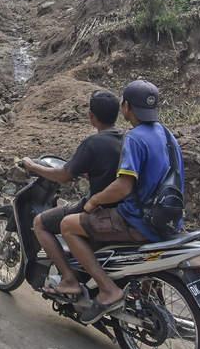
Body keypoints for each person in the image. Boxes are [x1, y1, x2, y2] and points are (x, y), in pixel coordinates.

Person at [50, 79, 184, 324]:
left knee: (68, 225)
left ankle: (107, 289)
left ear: (125, 107)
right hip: (169, 220)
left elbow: (123, 187)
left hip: (138, 221)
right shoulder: (167, 136)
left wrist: (94, 202)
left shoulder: (134, 137)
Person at [20, 89, 124, 302]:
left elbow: (63, 175)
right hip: (123, 208)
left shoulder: (93, 143)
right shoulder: (126, 137)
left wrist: (33, 167)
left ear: (91, 115)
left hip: (98, 209)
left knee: (40, 222)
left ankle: (69, 279)